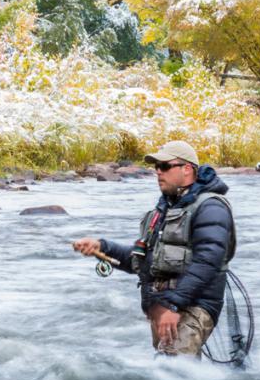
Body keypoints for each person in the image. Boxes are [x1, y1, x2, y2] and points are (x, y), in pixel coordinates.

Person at [72, 141, 235, 356]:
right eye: (156, 167)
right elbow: (140, 262)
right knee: (173, 374)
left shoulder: (211, 208)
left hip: (195, 305)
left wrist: (175, 306)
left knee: (173, 366)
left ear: (187, 169)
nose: (158, 172)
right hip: (164, 306)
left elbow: (208, 262)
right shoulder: (161, 212)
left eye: (165, 166)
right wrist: (102, 247)